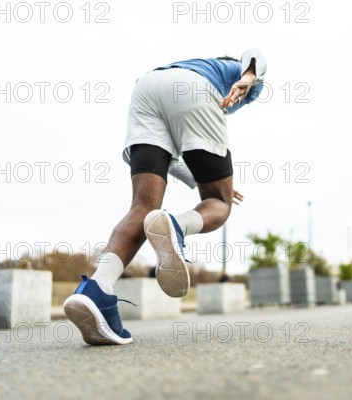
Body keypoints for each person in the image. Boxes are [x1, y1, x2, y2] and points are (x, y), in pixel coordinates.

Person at [63, 49, 267, 345]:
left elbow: (171, 161)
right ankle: (177, 226)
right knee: (220, 204)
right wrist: (248, 77)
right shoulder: (230, 72)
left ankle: (97, 289)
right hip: (194, 90)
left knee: (143, 207)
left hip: (145, 89)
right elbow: (256, 56)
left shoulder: (186, 65)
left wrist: (200, 181)